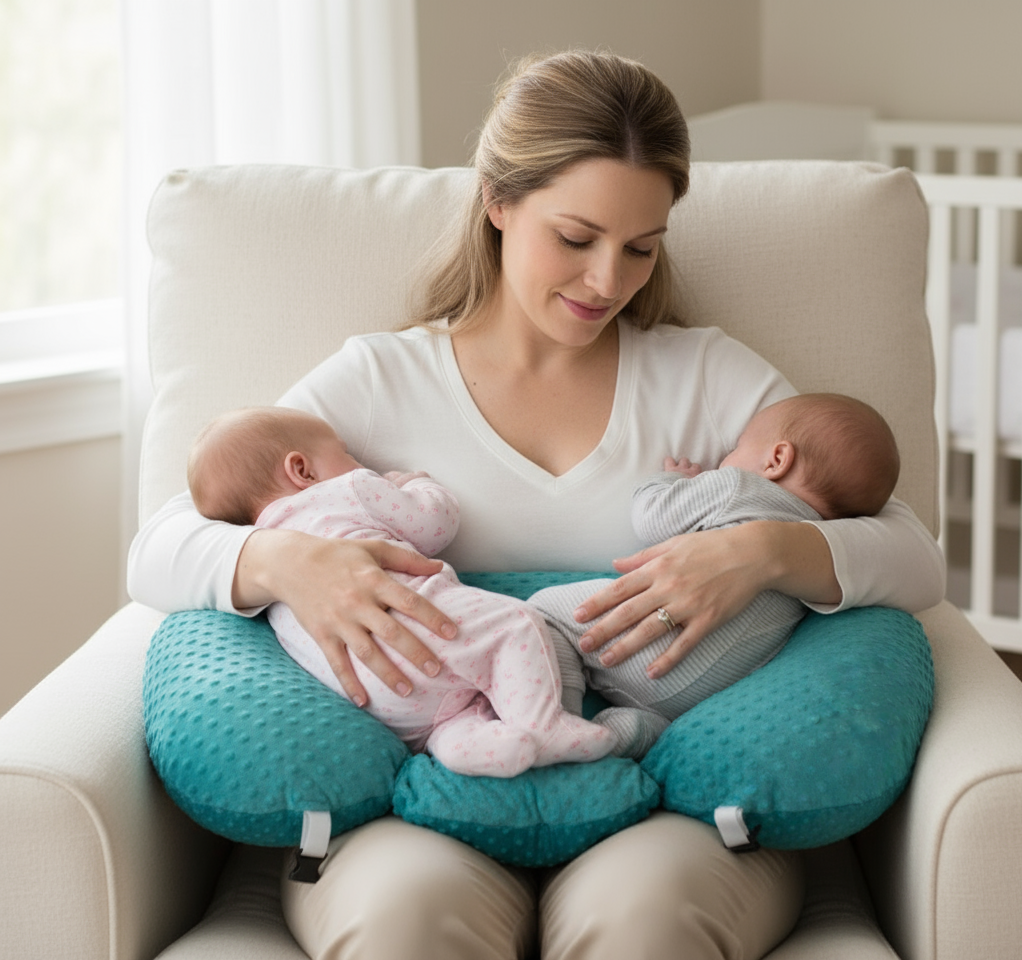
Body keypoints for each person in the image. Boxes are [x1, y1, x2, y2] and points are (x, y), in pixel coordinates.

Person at [129, 49, 944, 960]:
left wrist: (762, 554)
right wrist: (287, 562)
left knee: (649, 922)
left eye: (642, 247)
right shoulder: (382, 379)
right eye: (576, 236)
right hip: (427, 785)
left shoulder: (704, 374)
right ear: (498, 202)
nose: (607, 280)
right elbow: (160, 546)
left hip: (656, 791)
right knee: (409, 922)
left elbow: (912, 554)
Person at [186, 405, 615, 776]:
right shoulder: (347, 489)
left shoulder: (264, 570)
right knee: (516, 625)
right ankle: (544, 726)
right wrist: (414, 485)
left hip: (377, 696)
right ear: (302, 470)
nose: (356, 462)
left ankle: (478, 749)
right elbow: (433, 525)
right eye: (346, 453)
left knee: (450, 719)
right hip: (424, 629)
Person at [534, 392, 902, 759]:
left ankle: (555, 723)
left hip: (639, 647)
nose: (725, 459)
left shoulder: (739, 487)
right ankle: (630, 732)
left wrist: (670, 480)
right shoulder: (821, 550)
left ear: (776, 459)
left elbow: (652, 518)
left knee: (543, 612)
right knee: (651, 722)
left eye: (737, 446)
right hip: (707, 694)